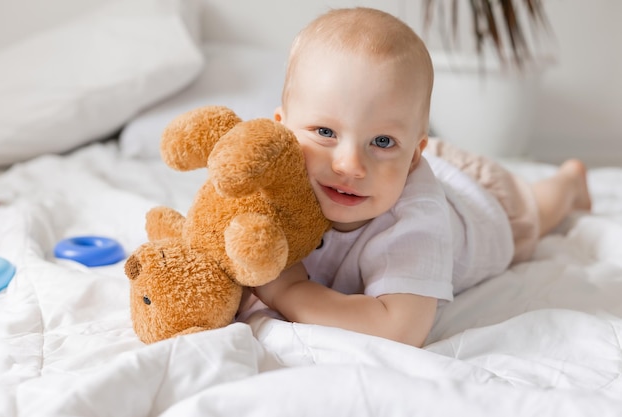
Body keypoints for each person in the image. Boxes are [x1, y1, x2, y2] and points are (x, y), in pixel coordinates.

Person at [245, 7, 592, 348]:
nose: (349, 165)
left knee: (537, 210)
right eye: (325, 131)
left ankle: (570, 181)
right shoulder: (273, 179)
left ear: (413, 154)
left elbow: (400, 329)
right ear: (281, 128)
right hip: (420, 164)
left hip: (483, 202)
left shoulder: (413, 219)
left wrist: (290, 291)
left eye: (382, 141)